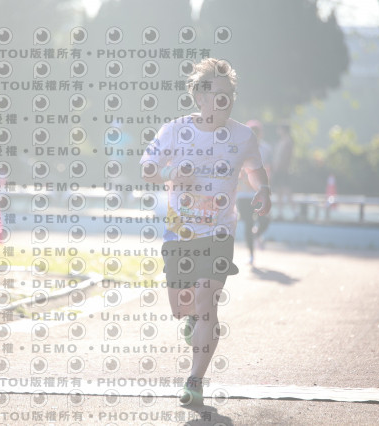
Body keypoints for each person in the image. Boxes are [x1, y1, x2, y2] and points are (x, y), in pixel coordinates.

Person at [139, 58, 271, 405]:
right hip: (179, 234)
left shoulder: (243, 136)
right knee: (181, 307)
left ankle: (195, 380)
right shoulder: (174, 130)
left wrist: (263, 189)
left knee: (206, 302)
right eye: (218, 94)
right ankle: (192, 320)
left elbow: (255, 170)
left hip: (219, 234)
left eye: (229, 95)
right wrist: (169, 175)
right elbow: (147, 168)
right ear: (200, 98)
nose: (225, 101)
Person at [236, 120, 273, 265]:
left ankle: (256, 235)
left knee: (265, 220)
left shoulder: (266, 149)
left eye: (256, 133)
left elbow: (269, 170)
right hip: (243, 193)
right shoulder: (240, 148)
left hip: (259, 191)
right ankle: (251, 254)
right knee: (248, 223)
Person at [272, 123, 294, 219]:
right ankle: (280, 213)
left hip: (283, 170)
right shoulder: (281, 141)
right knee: (279, 192)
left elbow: (286, 157)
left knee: (287, 191)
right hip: (278, 170)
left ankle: (295, 212)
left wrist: (280, 167)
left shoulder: (288, 141)